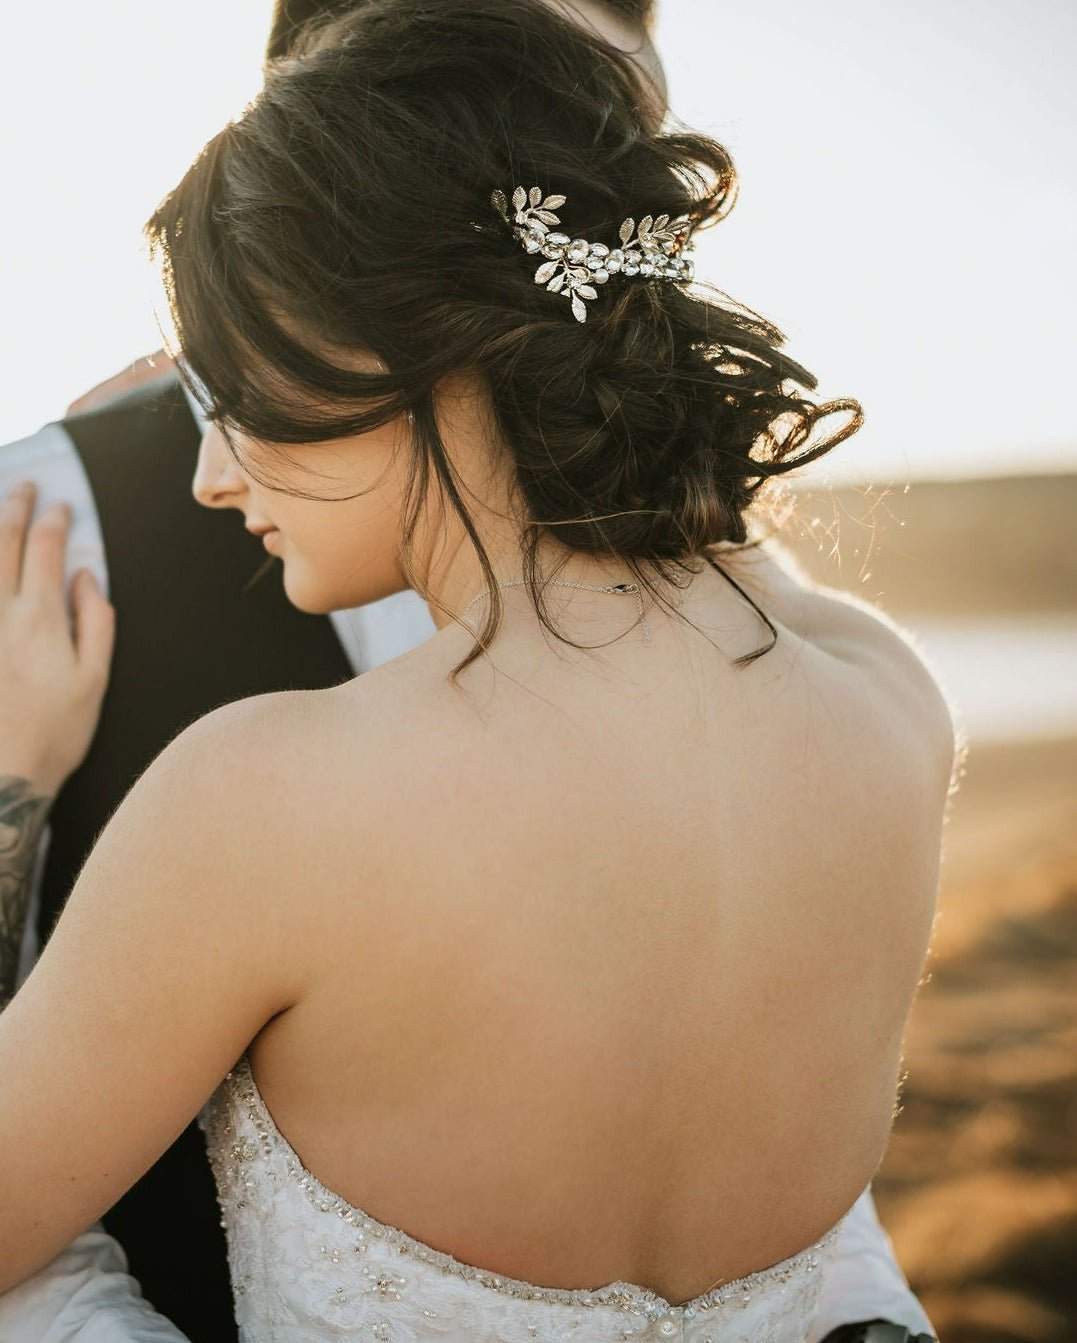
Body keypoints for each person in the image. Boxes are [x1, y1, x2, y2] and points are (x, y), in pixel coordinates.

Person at [0, 1, 946, 1340]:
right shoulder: (885, 690)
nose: (209, 474)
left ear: (388, 338)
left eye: (230, 393)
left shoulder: (263, 799)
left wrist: (5, 789)